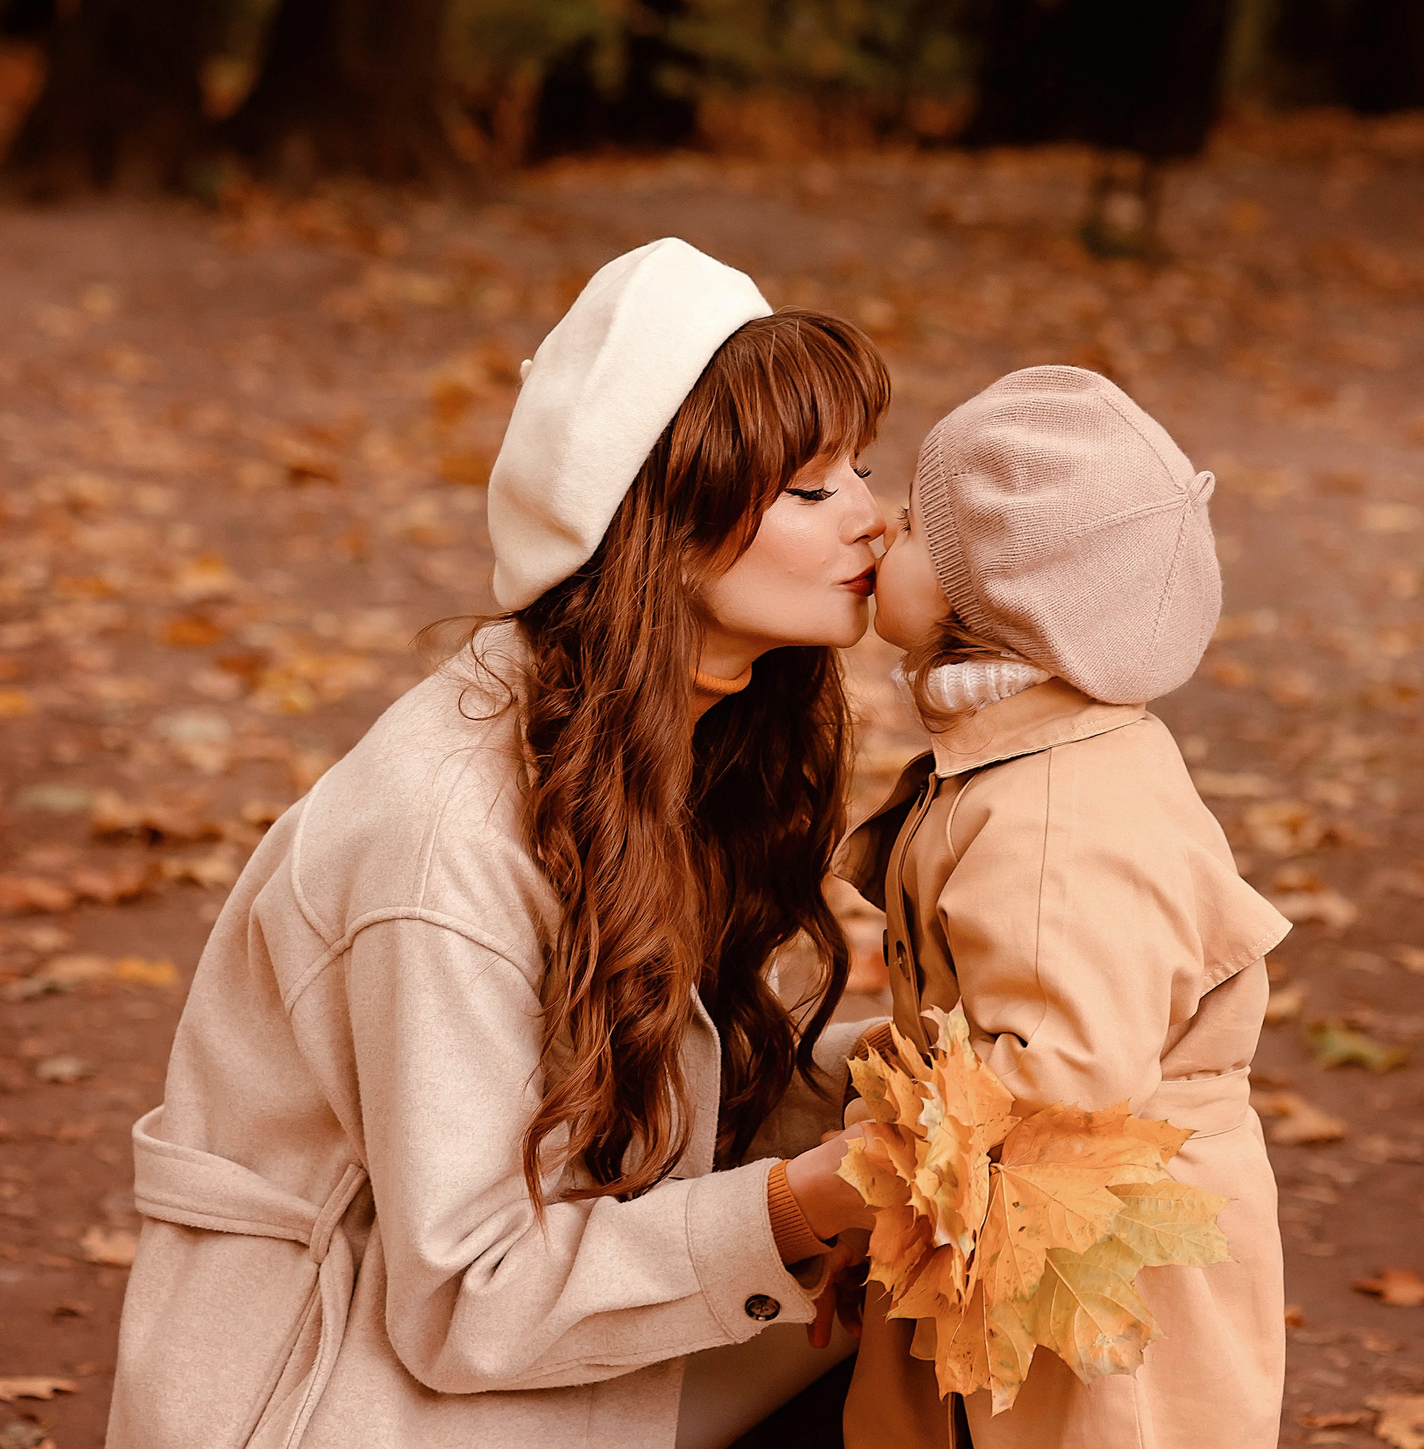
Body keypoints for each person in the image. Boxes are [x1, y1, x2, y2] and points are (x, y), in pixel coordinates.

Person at [105, 239, 892, 1449]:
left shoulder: (649, 745)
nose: (875, 520)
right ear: (658, 524)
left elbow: (642, 1121)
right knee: (927, 1318)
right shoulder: (444, 840)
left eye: (862, 473)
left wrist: (898, 1081)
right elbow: (468, 1297)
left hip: (476, 1367)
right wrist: (805, 1204)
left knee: (981, 1261)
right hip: (343, 1398)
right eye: (812, 487)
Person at [835, 365, 1293, 1447]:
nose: (876, 534)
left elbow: (1061, 1072)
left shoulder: (1048, 816)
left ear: (970, 592)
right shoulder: (1024, 754)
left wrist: (862, 1143)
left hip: (1092, 1247)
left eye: (907, 524)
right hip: (1037, 1214)